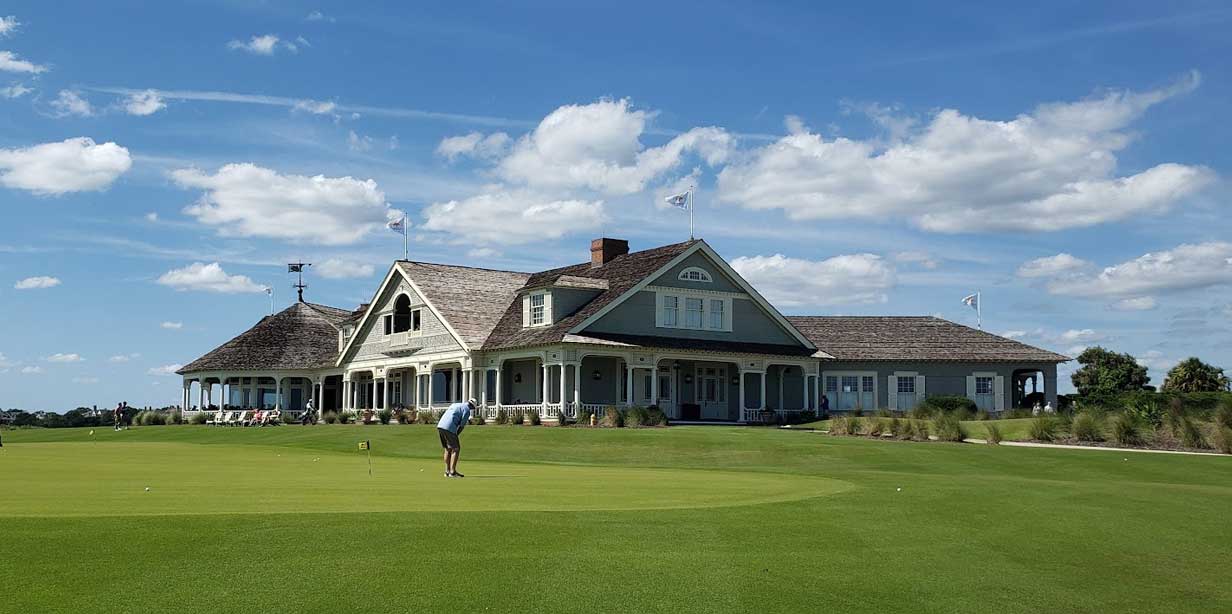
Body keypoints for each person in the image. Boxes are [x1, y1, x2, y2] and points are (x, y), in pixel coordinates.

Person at [437, 399, 474, 478]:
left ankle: (447, 471)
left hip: (440, 426)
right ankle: (452, 472)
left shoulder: (455, 404)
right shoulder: (467, 410)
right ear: (472, 406)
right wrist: (456, 434)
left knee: (447, 448)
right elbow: (461, 426)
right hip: (449, 427)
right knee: (456, 448)